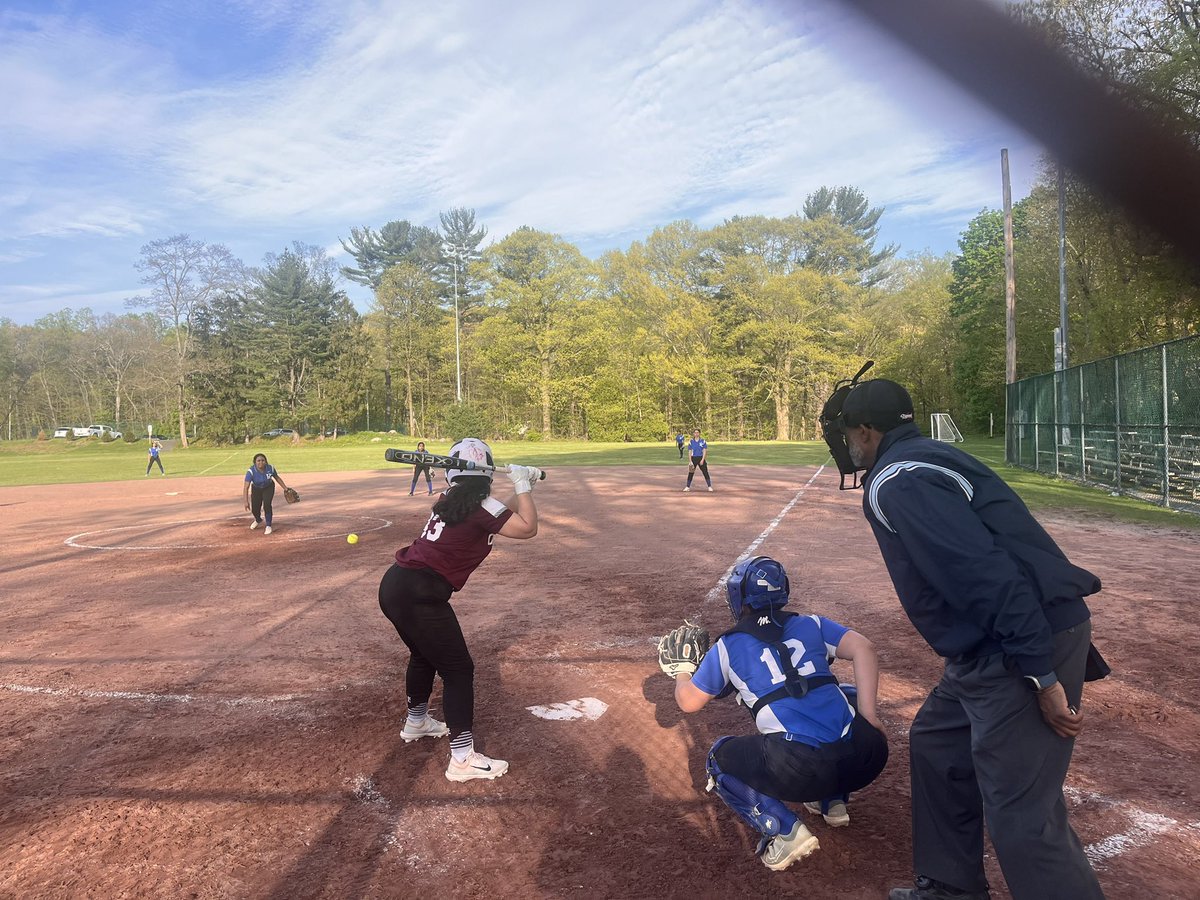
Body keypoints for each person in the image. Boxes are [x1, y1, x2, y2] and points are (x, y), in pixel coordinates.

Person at [823, 377, 1106, 900]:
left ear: (867, 430)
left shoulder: (897, 480)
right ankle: (951, 886)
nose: (846, 445)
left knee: (1022, 809)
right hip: (991, 645)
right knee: (938, 743)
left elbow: (982, 574)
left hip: (1017, 644)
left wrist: (1039, 674)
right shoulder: (931, 454)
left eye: (848, 433)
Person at [668, 556, 888, 872]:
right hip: (868, 756)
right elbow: (864, 648)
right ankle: (833, 801)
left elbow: (688, 702)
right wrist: (870, 716)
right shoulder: (812, 623)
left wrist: (682, 672)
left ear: (740, 597)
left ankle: (784, 831)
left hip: (801, 771)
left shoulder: (729, 645)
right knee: (848, 697)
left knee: (718, 759)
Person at [377, 438, 542, 782]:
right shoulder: (479, 507)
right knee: (458, 670)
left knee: (424, 656)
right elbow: (527, 527)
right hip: (422, 594)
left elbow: (497, 514)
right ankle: (463, 759)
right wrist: (522, 482)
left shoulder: (452, 500)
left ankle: (417, 721)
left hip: (395, 586)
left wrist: (523, 488)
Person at [242, 452, 291, 536]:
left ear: (266, 461)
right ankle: (258, 519)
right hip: (256, 489)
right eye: (258, 461)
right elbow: (246, 487)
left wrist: (285, 488)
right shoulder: (251, 471)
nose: (261, 462)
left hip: (268, 487)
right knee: (255, 509)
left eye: (263, 460)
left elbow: (277, 477)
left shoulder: (270, 468)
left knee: (267, 505)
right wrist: (246, 501)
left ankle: (268, 525)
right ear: (255, 462)